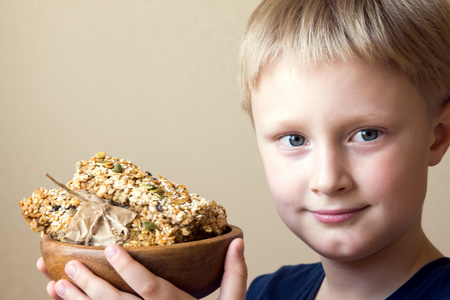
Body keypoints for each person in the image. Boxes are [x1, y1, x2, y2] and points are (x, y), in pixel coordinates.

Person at [37, 0, 450, 299]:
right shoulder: (266, 292)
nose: (328, 179)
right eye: (294, 140)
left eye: (367, 134)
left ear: (438, 134)